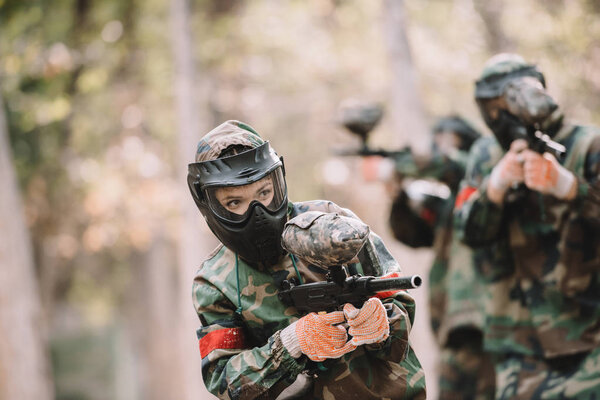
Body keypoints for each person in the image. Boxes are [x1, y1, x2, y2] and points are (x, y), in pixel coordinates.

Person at [187, 120, 426, 400]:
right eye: (234, 203)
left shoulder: (333, 224)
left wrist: (382, 322)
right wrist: (291, 343)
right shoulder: (215, 280)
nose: (257, 212)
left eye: (264, 193)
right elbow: (224, 380)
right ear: (209, 204)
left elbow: (399, 303)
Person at [454, 53, 600, 399]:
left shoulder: (586, 144)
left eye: (504, 103)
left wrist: (569, 187)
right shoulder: (485, 155)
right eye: (490, 108)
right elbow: (467, 231)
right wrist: (494, 188)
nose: (498, 116)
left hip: (589, 333)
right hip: (516, 342)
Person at [362, 116, 495, 400]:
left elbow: (447, 163)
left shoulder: (485, 185)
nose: (438, 150)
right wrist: (398, 193)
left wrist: (392, 165)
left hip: (489, 324)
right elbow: (411, 232)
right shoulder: (451, 204)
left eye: (447, 144)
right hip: (454, 327)